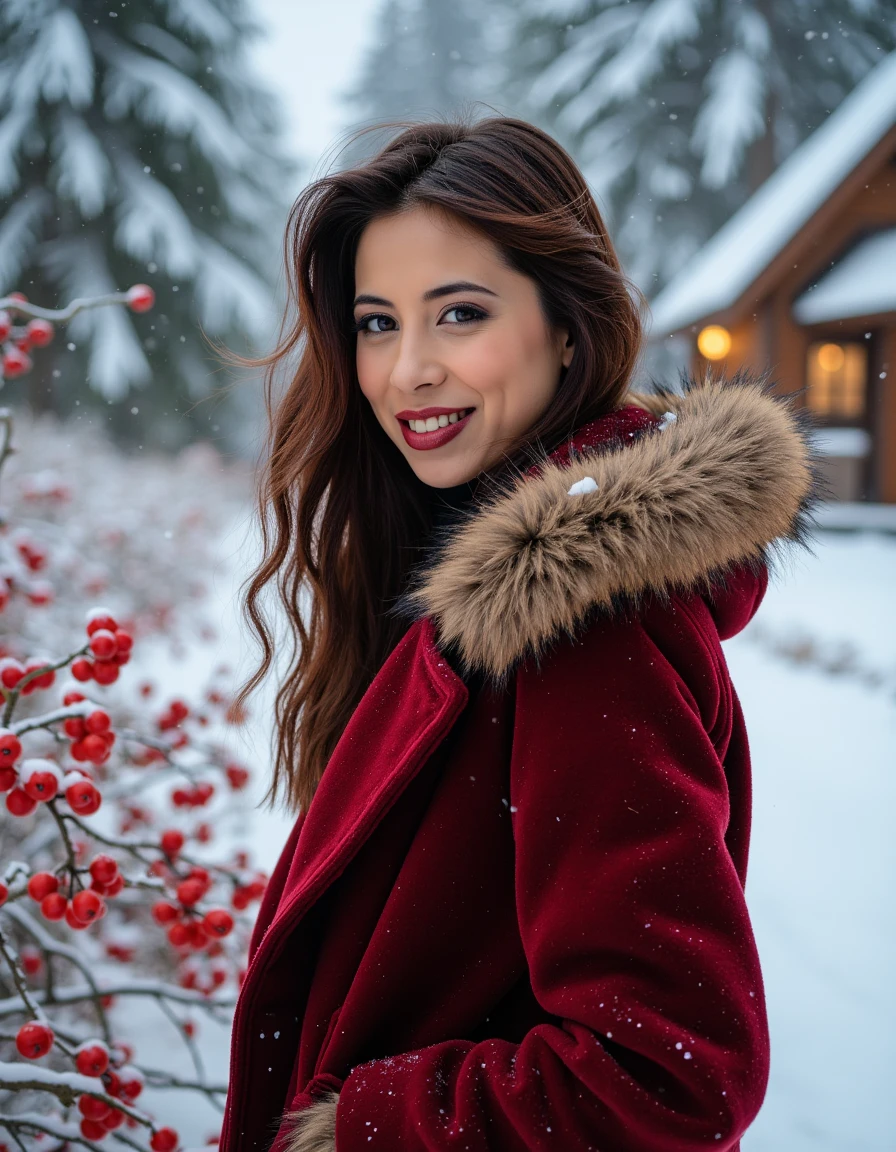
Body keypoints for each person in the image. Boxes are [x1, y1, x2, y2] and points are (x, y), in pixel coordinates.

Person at [218, 116, 822, 1152]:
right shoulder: (458, 589)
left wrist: (358, 1133)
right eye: (375, 323)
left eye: (458, 313)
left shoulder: (578, 627)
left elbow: (669, 1073)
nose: (405, 371)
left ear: (566, 327)